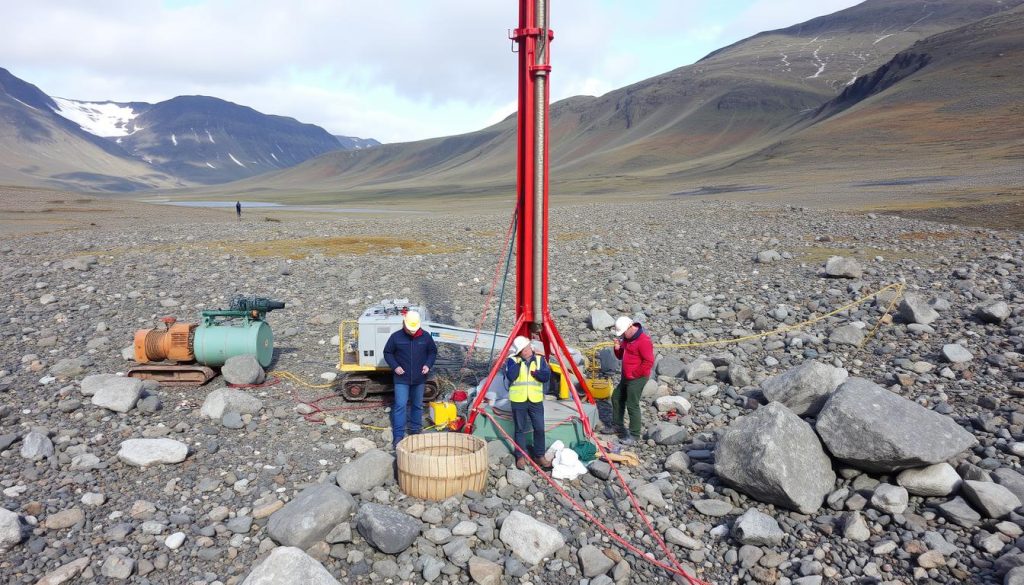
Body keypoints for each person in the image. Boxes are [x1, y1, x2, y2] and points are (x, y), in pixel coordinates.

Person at [383, 310, 437, 448]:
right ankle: (398, 436)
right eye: (409, 329)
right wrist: (395, 366)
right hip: (401, 379)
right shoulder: (396, 337)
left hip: (419, 379)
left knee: (417, 405)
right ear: (404, 324)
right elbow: (387, 353)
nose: (412, 332)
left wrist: (427, 365)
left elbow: (432, 351)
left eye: (414, 329)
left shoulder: (425, 337)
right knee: (400, 405)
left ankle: (415, 431)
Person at [505, 335, 552, 470]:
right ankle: (520, 456)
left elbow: (546, 376)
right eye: (523, 349)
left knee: (539, 428)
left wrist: (537, 373)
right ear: (519, 352)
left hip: (535, 400)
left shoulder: (539, 359)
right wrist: (520, 362)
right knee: (519, 429)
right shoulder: (512, 361)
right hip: (518, 400)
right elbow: (511, 376)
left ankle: (539, 455)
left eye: (527, 347)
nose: (527, 351)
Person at [611, 316, 654, 445]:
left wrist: (635, 374)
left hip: (637, 378)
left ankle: (634, 435)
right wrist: (617, 348)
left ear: (630, 327)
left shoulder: (643, 341)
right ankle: (618, 425)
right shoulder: (627, 338)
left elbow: (649, 361)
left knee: (632, 404)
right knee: (616, 397)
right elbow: (620, 356)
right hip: (627, 376)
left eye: (624, 332)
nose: (623, 335)